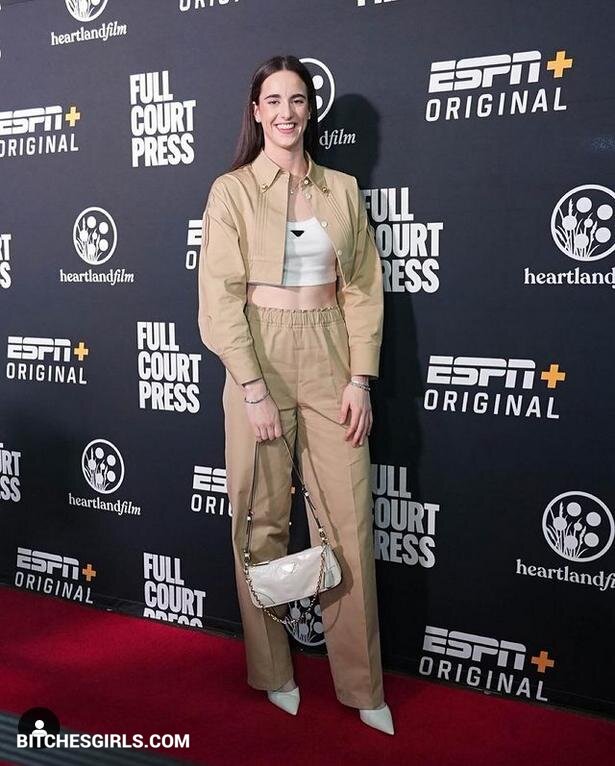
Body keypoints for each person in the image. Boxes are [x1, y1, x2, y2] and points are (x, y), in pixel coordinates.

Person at [197, 55, 393, 735]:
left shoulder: (342, 189)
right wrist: (251, 388)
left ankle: (362, 684)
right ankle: (273, 670)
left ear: (310, 109)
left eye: (298, 99)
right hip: (260, 356)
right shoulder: (231, 192)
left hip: (331, 352)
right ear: (256, 112)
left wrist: (360, 377)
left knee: (349, 520)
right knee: (261, 523)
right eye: (273, 100)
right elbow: (219, 299)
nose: (286, 112)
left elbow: (362, 288)